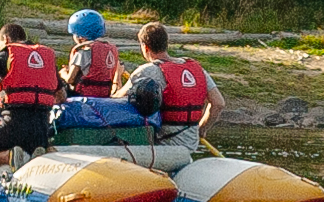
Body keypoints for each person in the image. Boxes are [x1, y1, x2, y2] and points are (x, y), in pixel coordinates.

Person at [0, 23, 66, 174]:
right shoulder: (46, 59)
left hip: (11, 127)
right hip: (41, 130)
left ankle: (7, 156)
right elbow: (61, 96)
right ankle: (37, 152)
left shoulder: (4, 55)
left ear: (6, 39)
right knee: (34, 140)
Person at [114, 22, 225, 152]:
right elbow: (219, 103)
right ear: (166, 43)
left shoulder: (148, 71)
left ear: (145, 47)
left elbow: (115, 100)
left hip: (164, 146)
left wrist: (117, 75)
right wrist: (202, 129)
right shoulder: (196, 68)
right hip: (190, 146)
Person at [61, 9, 123, 98]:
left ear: (80, 37)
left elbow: (70, 79)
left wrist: (63, 73)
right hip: (104, 94)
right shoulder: (110, 50)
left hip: (82, 95)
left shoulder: (82, 53)